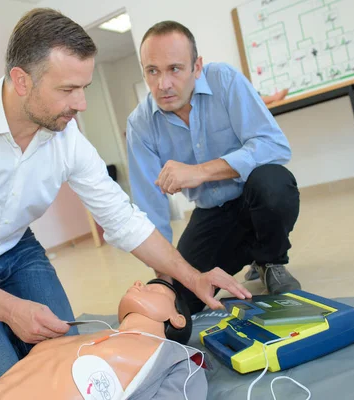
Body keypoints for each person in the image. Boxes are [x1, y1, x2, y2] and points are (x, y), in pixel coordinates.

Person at [0, 9, 250, 400]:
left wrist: (190, 275)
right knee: (2, 381)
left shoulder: (68, 140)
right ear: (21, 80)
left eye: (85, 87)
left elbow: (121, 218)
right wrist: (11, 311)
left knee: (65, 357)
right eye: (68, 90)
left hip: (18, 250)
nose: (81, 104)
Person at [127, 21, 301, 315]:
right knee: (183, 301)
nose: (163, 84)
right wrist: (166, 280)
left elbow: (275, 145)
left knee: (273, 184)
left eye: (174, 69)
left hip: (253, 196)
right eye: (152, 71)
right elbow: (149, 211)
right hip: (211, 215)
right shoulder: (140, 124)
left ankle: (270, 260)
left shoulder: (226, 81)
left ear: (197, 67)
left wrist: (200, 172)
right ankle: (246, 256)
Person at [0, 279, 207, 399]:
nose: (137, 283)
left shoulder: (177, 360)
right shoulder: (77, 336)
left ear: (177, 319)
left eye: (153, 289)